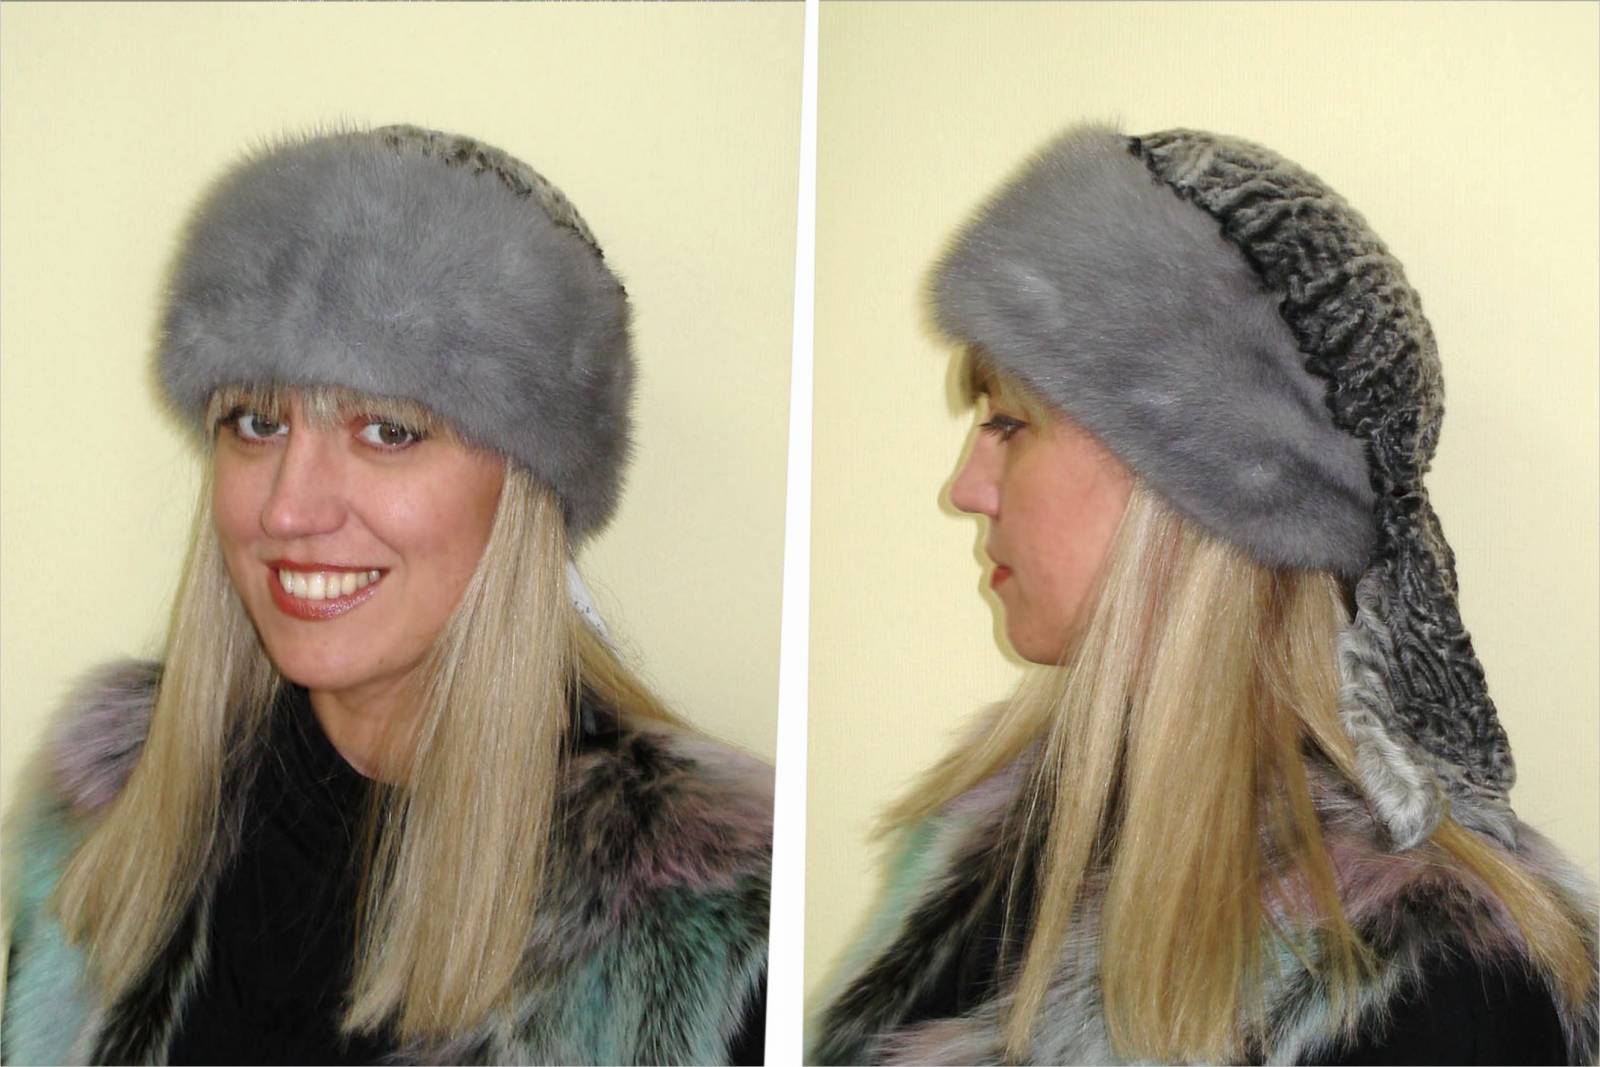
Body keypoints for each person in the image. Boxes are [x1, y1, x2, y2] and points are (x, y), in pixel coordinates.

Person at [809, 125, 1596, 1065]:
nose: (965, 488)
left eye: (1012, 424)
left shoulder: (1424, 982)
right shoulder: (998, 844)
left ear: (1196, 491)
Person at [2, 125, 771, 1065]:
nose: (288, 508)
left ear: (529, 487)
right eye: (255, 422)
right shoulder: (105, 829)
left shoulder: (697, 924)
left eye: (389, 431)